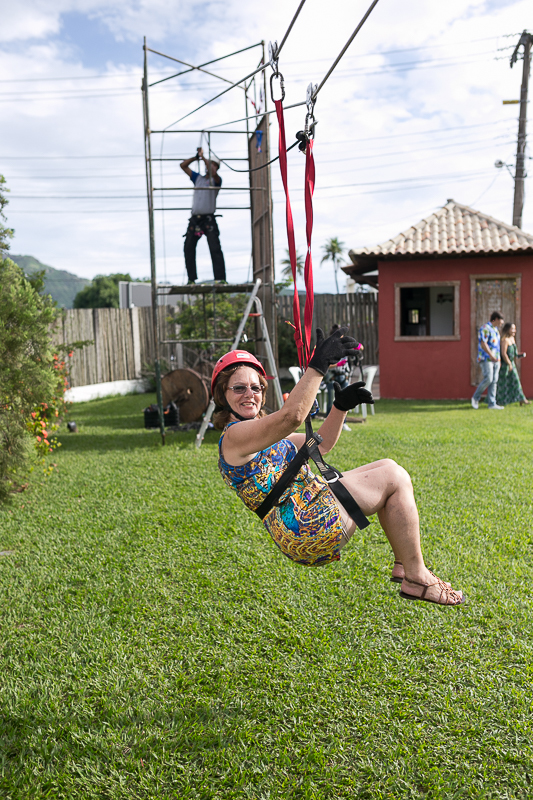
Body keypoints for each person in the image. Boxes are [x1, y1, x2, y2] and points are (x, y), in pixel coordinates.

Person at [212, 330, 464, 606]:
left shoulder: (263, 436)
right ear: (222, 396)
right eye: (239, 388)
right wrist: (318, 366)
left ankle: (406, 565)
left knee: (388, 467)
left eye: (256, 387)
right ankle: (416, 576)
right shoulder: (233, 438)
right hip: (307, 524)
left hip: (307, 518)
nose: (250, 394)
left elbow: (321, 445)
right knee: (394, 475)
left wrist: (340, 407)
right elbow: (292, 416)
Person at [180, 147, 226, 285]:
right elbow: (183, 166)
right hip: (195, 219)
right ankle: (191, 279)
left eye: (213, 164)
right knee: (188, 247)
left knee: (215, 248)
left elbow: (212, 172)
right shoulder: (198, 179)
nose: (209, 167)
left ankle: (220, 278)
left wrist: (204, 158)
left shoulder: (216, 181)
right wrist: (197, 157)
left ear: (216, 167)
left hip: (208, 219)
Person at [471, 311, 505, 410]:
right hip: (486, 358)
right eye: (501, 321)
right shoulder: (485, 328)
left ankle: (492, 403)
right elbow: (483, 343)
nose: (502, 323)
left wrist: (498, 359)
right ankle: (475, 398)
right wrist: (491, 355)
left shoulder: (496, 330)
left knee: (494, 381)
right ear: (497, 319)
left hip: (496, 359)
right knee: (489, 378)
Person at [496, 322, 529, 406]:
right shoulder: (504, 340)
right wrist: (509, 364)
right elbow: (503, 353)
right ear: (507, 329)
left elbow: (514, 353)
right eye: (512, 329)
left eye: (515, 328)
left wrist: (519, 355)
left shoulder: (512, 339)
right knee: (503, 384)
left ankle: (521, 399)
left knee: (516, 382)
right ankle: (499, 401)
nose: (515, 330)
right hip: (505, 365)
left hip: (511, 363)